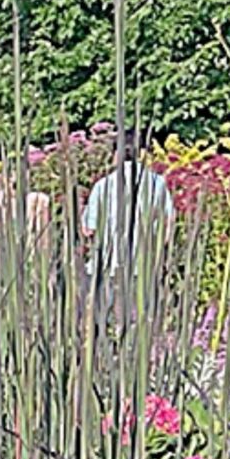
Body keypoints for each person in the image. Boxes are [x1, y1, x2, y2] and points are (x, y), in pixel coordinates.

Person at [81, 127, 175, 320]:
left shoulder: (102, 186)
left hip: (108, 267)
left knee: (106, 328)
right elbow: (169, 223)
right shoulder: (157, 184)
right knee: (140, 324)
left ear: (116, 154)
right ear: (142, 153)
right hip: (143, 268)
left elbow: (88, 230)